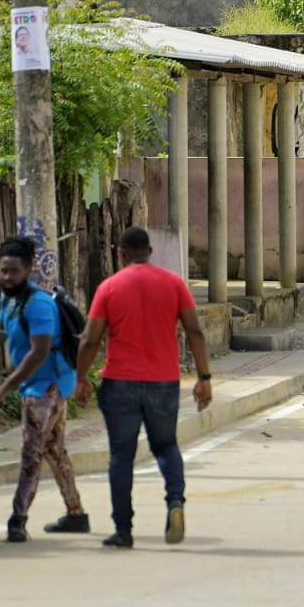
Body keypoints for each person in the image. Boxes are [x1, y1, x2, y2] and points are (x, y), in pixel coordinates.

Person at [71, 229, 211, 550]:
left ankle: (124, 529)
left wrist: (80, 379)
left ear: (121, 254)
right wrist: (204, 377)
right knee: (166, 446)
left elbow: (91, 339)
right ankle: (175, 501)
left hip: (119, 383)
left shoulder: (109, 287)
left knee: (121, 455)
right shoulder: (174, 283)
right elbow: (196, 332)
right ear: (149, 250)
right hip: (163, 382)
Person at [0, 236, 90, 543]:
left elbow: (39, 352)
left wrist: (5, 388)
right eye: (4, 270)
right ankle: (77, 515)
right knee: (54, 452)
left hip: (48, 387)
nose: (8, 277)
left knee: (31, 453)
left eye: (14, 271)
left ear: (29, 270)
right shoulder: (9, 299)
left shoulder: (39, 305)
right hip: (38, 385)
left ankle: (18, 518)